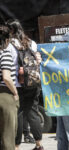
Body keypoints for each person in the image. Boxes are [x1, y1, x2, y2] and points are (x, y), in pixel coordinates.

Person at [6, 19, 43, 150]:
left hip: (17, 84)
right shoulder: (32, 43)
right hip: (33, 82)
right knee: (33, 112)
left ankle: (16, 146)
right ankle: (39, 144)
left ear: (11, 30)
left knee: (19, 114)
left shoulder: (9, 45)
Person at [0, 24, 19, 150]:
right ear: (7, 40)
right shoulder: (5, 54)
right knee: (8, 136)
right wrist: (15, 92)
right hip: (5, 96)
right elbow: (6, 77)